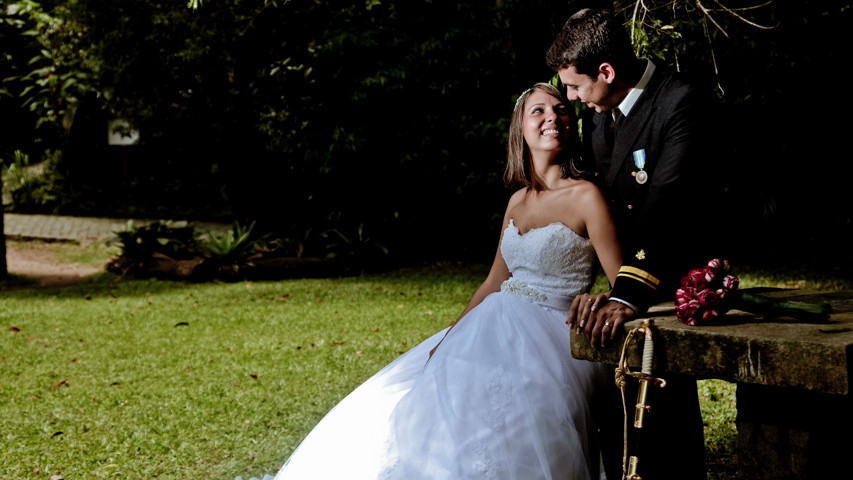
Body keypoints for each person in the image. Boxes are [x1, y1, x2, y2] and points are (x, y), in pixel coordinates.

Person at [248, 83, 624, 480]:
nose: (553, 117)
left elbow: (623, 282)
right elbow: (495, 280)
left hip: (551, 334)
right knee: (424, 400)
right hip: (491, 326)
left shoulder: (586, 197)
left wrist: (603, 299)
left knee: (514, 413)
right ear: (520, 129)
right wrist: (450, 337)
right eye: (539, 111)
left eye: (562, 109)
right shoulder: (517, 202)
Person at [545, 8, 716, 480]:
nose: (574, 100)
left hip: (673, 280)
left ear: (607, 71)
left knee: (667, 416)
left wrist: (627, 292)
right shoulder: (602, 112)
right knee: (624, 418)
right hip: (625, 277)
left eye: (576, 87)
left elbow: (668, 204)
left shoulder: (681, 100)